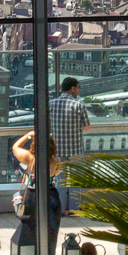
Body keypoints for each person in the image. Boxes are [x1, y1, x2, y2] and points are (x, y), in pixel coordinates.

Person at [11, 129, 64, 255]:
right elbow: (57, 172)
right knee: (51, 228)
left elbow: (15, 147)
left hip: (34, 195)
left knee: (31, 227)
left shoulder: (30, 158)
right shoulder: (55, 160)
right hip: (51, 195)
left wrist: (27, 135)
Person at [48, 77, 89, 214]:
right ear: (72, 88)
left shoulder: (52, 104)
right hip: (76, 149)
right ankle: (74, 208)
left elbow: (47, 123)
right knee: (76, 180)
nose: (78, 91)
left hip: (58, 149)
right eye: (77, 88)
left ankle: (61, 209)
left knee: (60, 180)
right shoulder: (79, 105)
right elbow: (87, 126)